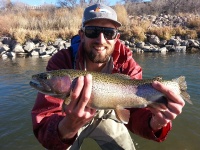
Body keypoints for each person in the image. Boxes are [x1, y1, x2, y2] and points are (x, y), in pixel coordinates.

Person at [31, 3, 185, 150]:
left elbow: (134, 112)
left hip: (110, 115)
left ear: (116, 37)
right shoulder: (62, 62)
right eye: (93, 32)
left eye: (109, 33)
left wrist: (154, 122)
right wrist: (69, 125)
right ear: (82, 35)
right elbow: (45, 125)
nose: (101, 40)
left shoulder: (126, 63)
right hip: (66, 120)